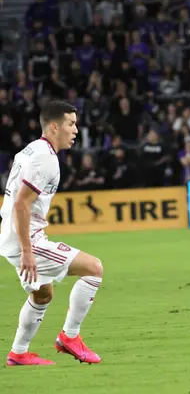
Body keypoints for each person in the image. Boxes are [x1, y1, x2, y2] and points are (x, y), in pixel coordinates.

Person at [0, 101, 103, 366]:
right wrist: (27, 251)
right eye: (71, 124)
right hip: (26, 239)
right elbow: (22, 203)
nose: (76, 130)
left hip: (11, 234)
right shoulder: (46, 159)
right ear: (54, 126)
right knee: (93, 268)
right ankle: (70, 337)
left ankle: (19, 353)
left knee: (43, 293)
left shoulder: (32, 148)